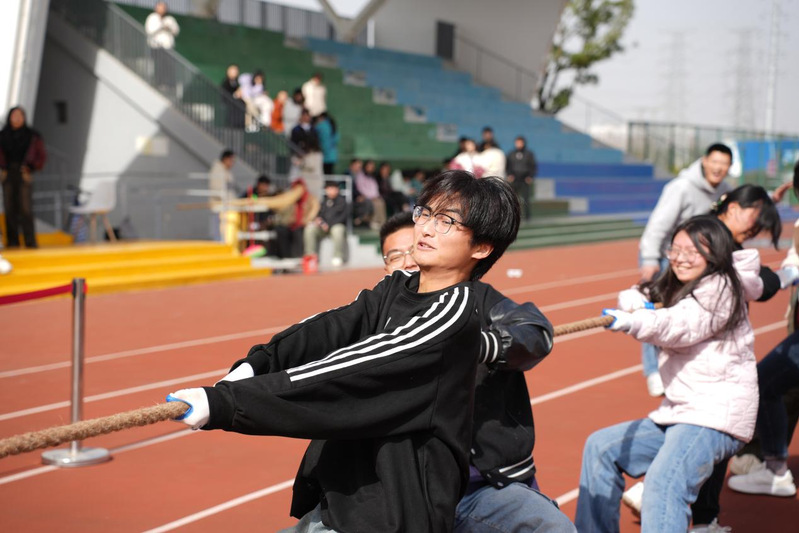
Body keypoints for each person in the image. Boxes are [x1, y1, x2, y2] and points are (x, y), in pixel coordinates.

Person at [166, 170, 521, 533]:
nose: (427, 229)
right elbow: (329, 327)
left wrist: (227, 403)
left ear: (481, 247)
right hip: (343, 502)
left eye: (446, 221)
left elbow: (355, 368)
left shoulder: (450, 315)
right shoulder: (396, 288)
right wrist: (257, 364)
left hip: (391, 518)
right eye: (425, 213)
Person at [379, 212, 576, 533]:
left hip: (487, 484)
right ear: (385, 267)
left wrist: (480, 345)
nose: (408, 261)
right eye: (394, 256)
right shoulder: (375, 319)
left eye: (414, 249)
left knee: (549, 526)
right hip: (414, 492)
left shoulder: (477, 299)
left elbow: (534, 332)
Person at [620, 183, 793, 530]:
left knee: (704, 442)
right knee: (700, 442)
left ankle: (692, 508)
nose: (755, 232)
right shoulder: (711, 244)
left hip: (708, 377)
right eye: (755, 222)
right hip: (698, 375)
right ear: (733, 209)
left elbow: (758, 284)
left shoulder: (720, 242)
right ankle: (690, 507)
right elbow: (758, 287)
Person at [575, 215, 762, 533]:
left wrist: (633, 321)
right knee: (601, 448)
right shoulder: (679, 281)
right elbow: (645, 293)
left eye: (693, 251)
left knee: (664, 485)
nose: (681, 258)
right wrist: (634, 300)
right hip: (684, 411)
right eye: (676, 250)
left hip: (716, 414)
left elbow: (680, 325)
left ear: (715, 253)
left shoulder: (722, 289)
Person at [638, 143, 735, 397]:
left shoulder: (725, 190)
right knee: (654, 310)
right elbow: (658, 225)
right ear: (704, 161)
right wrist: (650, 258)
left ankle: (679, 366)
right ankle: (653, 371)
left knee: (684, 311)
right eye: (715, 162)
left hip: (695, 260)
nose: (718, 168)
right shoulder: (681, 187)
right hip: (664, 256)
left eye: (724, 164)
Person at [0, 106, 46, 248]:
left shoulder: (32, 135)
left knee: (26, 208)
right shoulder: (3, 135)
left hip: (24, 173)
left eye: (20, 115)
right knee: (9, 208)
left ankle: (30, 242)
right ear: (9, 117)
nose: (17, 118)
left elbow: (41, 155)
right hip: (8, 173)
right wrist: (3, 168)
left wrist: (31, 168)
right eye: (14, 115)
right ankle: (13, 242)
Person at [303, 180, 348, 267]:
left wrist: (328, 225)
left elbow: (343, 218)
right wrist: (320, 222)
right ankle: (311, 256)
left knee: (338, 230)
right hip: (323, 228)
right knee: (309, 229)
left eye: (332, 188)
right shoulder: (324, 202)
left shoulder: (342, 201)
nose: (330, 191)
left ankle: (338, 256)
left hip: (335, 226)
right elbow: (319, 216)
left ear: (337, 190)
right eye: (328, 189)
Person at [145, 2, 180, 89]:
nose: (162, 9)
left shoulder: (170, 19)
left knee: (169, 66)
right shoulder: (152, 18)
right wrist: (162, 27)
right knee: (159, 65)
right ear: (156, 8)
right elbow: (149, 30)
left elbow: (176, 31)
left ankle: (169, 84)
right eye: (160, 7)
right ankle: (159, 83)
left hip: (168, 47)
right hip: (156, 46)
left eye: (163, 7)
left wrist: (169, 28)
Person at [506, 136, 538, 221]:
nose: (519, 144)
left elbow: (533, 166)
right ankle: (513, 216)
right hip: (514, 180)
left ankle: (527, 217)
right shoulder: (511, 154)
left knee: (526, 199)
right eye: (517, 142)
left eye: (520, 142)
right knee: (513, 198)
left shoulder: (529, 154)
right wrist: (509, 175)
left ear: (524, 143)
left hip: (525, 180)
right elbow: (508, 166)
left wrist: (530, 176)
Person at [208, 149, 236, 241]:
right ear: (225, 159)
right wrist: (229, 200)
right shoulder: (217, 170)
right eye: (231, 160)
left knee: (225, 235)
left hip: (226, 209)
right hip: (219, 208)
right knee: (218, 236)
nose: (232, 163)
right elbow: (217, 190)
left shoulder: (226, 171)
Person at [220, 64, 245, 128]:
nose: (235, 73)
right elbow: (225, 94)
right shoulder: (226, 82)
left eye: (236, 71)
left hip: (237, 102)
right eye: (233, 71)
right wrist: (235, 95)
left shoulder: (236, 82)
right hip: (229, 101)